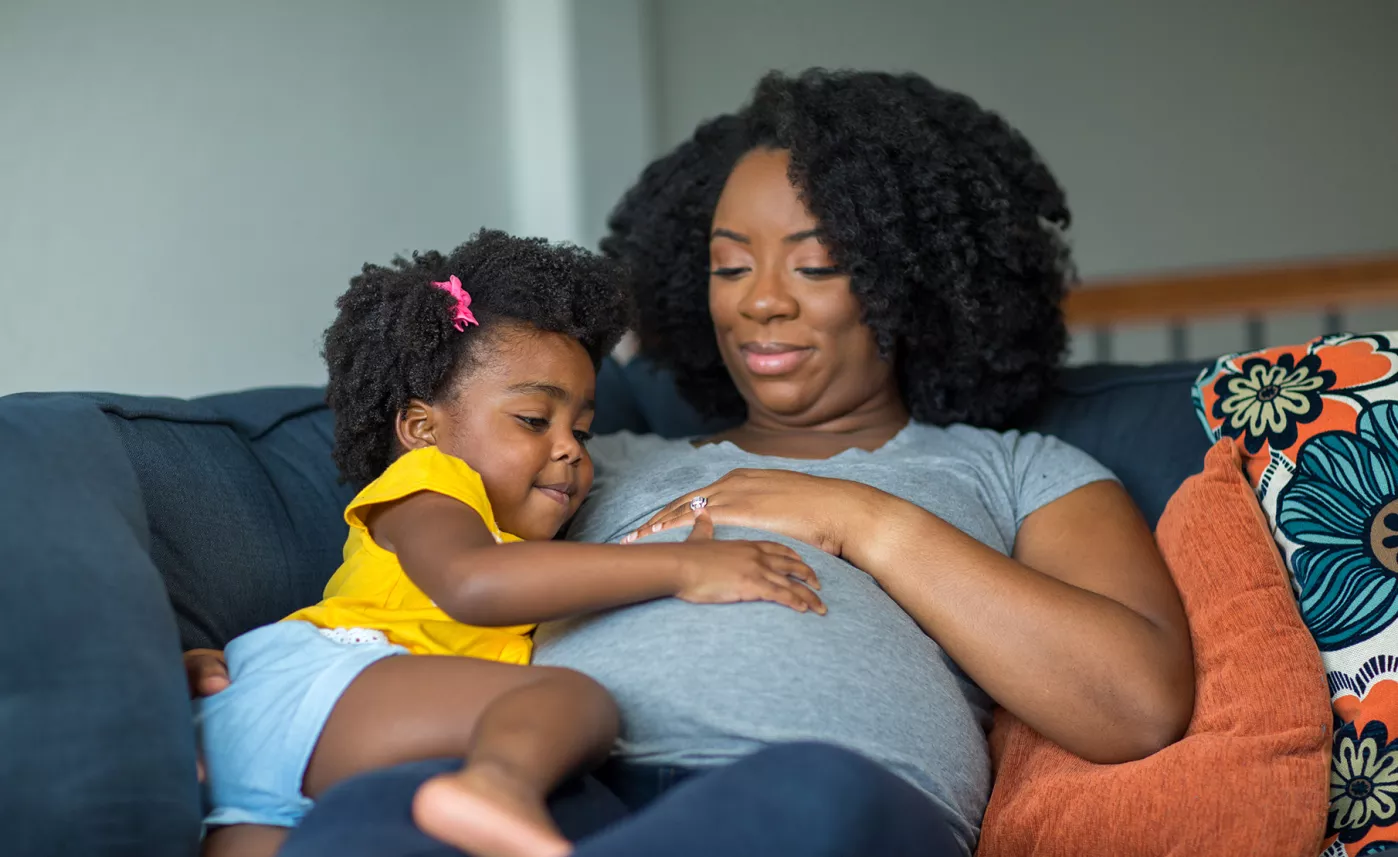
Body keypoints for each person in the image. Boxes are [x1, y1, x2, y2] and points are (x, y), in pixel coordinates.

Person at [188, 68, 1195, 857]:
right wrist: (229, 671)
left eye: (815, 262)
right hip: (547, 791)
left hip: (808, 798)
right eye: (727, 263)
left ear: (912, 276)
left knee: (815, 794)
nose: (759, 300)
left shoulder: (1017, 471)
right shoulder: (574, 458)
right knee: (376, 813)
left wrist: (858, 518)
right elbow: (409, 580)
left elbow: (1134, 704)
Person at [192, 229, 825, 857]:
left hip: (281, 765)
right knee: (568, 700)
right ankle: (497, 786)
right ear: (421, 428)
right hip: (324, 684)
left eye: (582, 428)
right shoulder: (430, 483)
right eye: (533, 419)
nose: (571, 448)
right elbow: (475, 583)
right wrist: (681, 565)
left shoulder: (505, 528)